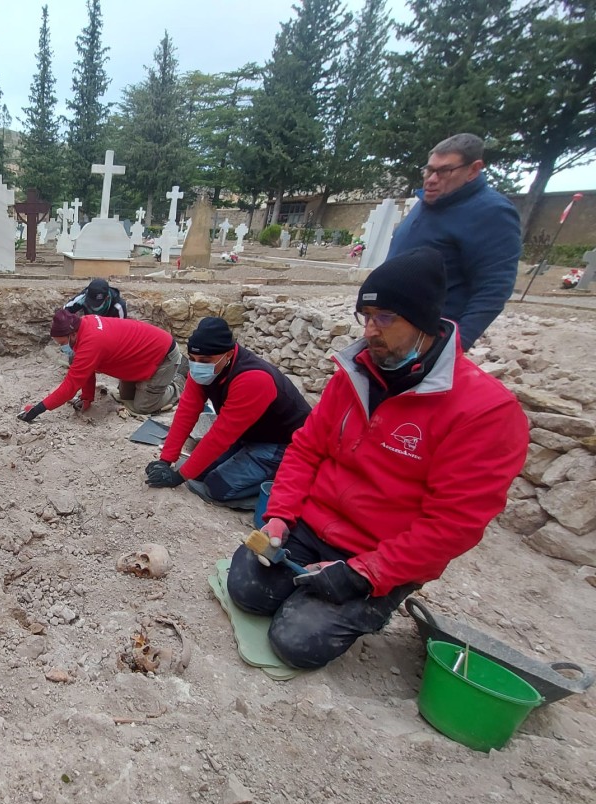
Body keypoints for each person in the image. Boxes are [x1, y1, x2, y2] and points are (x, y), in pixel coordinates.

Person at [225, 247, 528, 670]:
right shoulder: (355, 376)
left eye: (386, 318)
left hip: (379, 550)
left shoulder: (484, 411)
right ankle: (312, 582)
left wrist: (366, 572)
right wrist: (279, 516)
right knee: (246, 589)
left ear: (423, 320)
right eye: (366, 317)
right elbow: (306, 449)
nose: (371, 331)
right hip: (312, 527)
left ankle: (377, 598)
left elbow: (453, 524)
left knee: (296, 642)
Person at [144, 317, 310, 509]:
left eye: (205, 361)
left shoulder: (253, 379)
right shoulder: (206, 369)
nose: (197, 365)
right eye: (193, 359)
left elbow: (221, 436)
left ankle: (275, 489)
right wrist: (166, 460)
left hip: (285, 444)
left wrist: (178, 477)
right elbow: (186, 412)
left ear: (229, 354)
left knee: (216, 488)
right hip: (249, 435)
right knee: (198, 473)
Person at [386, 133, 521, 349]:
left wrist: (454, 347)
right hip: (389, 329)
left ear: (474, 170)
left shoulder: (491, 212)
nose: (431, 179)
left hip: (427, 338)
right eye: (429, 169)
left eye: (444, 171)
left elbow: (493, 288)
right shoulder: (429, 202)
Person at [18, 309, 183, 422]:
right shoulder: (84, 325)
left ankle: (179, 382)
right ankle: (150, 384)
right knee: (125, 397)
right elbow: (85, 370)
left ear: (72, 334)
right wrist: (87, 397)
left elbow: (70, 386)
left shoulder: (91, 343)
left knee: (142, 407)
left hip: (163, 356)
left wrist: (37, 410)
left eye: (62, 343)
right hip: (140, 359)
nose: (62, 347)